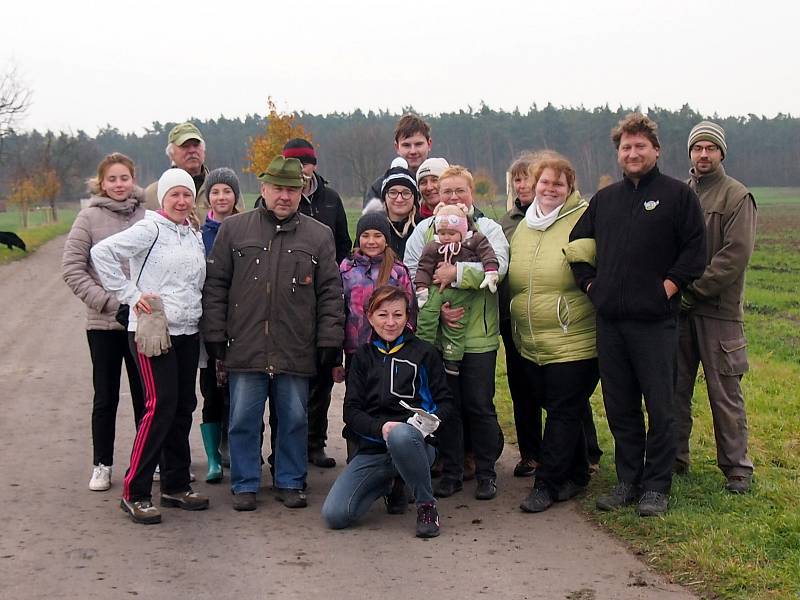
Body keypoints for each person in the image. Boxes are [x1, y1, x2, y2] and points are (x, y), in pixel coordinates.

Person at [569, 113, 706, 517]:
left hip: (657, 323)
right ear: (619, 153)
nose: (632, 153)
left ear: (656, 150)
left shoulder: (678, 196)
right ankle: (627, 481)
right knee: (620, 405)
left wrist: (664, 289)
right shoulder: (605, 200)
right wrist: (592, 287)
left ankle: (656, 487)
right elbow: (576, 248)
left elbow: (694, 253)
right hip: (610, 322)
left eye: (640, 146)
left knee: (661, 407)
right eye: (626, 147)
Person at [201, 155, 344, 512]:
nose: (285, 196)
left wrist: (330, 339)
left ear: (301, 192)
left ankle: (291, 480)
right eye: (278, 188)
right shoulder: (234, 230)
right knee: (243, 418)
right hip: (246, 345)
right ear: (263, 189)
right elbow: (216, 286)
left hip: (295, 345)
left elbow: (330, 291)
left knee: (295, 418)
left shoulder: (318, 235)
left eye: (292, 189)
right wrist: (216, 334)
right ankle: (245, 483)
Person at [91, 168, 209, 524]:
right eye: (174, 194)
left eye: (186, 195)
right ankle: (135, 491)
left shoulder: (193, 233)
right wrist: (131, 296)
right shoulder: (150, 228)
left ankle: (174, 484)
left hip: (187, 330)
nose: (181, 201)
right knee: (159, 405)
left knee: (183, 406)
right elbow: (102, 253)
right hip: (153, 329)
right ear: (163, 198)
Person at [404, 165, 509, 501]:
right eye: (446, 191)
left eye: (459, 191)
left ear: (471, 194)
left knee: (479, 404)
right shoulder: (425, 230)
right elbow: (413, 269)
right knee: (447, 405)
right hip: (442, 335)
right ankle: (451, 471)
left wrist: (457, 272)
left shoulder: (487, 228)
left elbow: (498, 267)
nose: (452, 196)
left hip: (479, 335)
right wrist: (439, 305)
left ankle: (485, 472)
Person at [499, 153, 604, 478]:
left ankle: (550, 482)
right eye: (544, 181)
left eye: (558, 183)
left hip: (572, 334)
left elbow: (598, 265)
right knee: (552, 403)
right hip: (531, 337)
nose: (549, 188)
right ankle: (577, 471)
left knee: (563, 408)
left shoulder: (584, 218)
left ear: (570, 186)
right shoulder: (525, 225)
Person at [322, 285, 454, 538]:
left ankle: (426, 505)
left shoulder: (425, 353)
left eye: (398, 315)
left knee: (401, 435)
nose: (391, 323)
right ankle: (391, 482)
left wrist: (427, 423)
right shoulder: (362, 356)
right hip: (373, 448)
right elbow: (351, 410)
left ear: (408, 317)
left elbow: (446, 403)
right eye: (383, 315)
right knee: (335, 515)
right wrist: (379, 428)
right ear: (370, 317)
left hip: (416, 445)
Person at [674, 121, 757, 493]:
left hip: (718, 312)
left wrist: (693, 291)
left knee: (724, 392)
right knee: (674, 388)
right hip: (680, 312)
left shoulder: (737, 196)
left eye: (710, 148)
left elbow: (734, 256)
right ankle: (675, 458)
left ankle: (737, 468)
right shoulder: (681, 194)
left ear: (722, 153)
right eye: (697, 148)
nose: (703, 155)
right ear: (690, 153)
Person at [62, 153, 146, 492]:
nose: (119, 185)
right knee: (106, 397)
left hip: (142, 323)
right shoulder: (88, 218)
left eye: (124, 178)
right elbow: (72, 269)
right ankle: (102, 463)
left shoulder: (146, 215)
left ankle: (146, 459)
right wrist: (110, 303)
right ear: (101, 183)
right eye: (112, 179)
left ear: (133, 179)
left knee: (147, 396)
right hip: (104, 325)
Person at [415, 202, 499, 375]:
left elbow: (488, 254)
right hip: (436, 288)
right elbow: (423, 267)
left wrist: (490, 272)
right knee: (428, 312)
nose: (446, 237)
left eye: (451, 233)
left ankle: (452, 359)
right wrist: (422, 287)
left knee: (457, 324)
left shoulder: (474, 240)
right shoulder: (432, 246)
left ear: (461, 231)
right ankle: (424, 346)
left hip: (462, 290)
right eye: (442, 233)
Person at [197, 167, 241, 482]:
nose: (221, 197)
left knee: (238, 393)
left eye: (227, 191)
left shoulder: (246, 229)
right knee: (211, 391)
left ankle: (233, 447)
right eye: (215, 192)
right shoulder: (199, 234)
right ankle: (213, 457)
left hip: (241, 323)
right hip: (208, 324)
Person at [144, 122, 209, 226]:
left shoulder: (222, 189)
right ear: (171, 154)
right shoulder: (151, 194)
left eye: (196, 145)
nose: (192, 150)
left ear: (203, 150)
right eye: (185, 146)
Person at [363, 114, 432, 210]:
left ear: (429, 144)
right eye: (406, 145)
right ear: (397, 147)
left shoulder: (445, 183)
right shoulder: (379, 187)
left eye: (418, 144)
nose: (413, 151)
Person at [369, 158, 421, 258]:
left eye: (406, 193)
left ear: (414, 197)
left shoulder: (424, 228)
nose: (399, 199)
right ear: (384, 197)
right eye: (393, 193)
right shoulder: (372, 227)